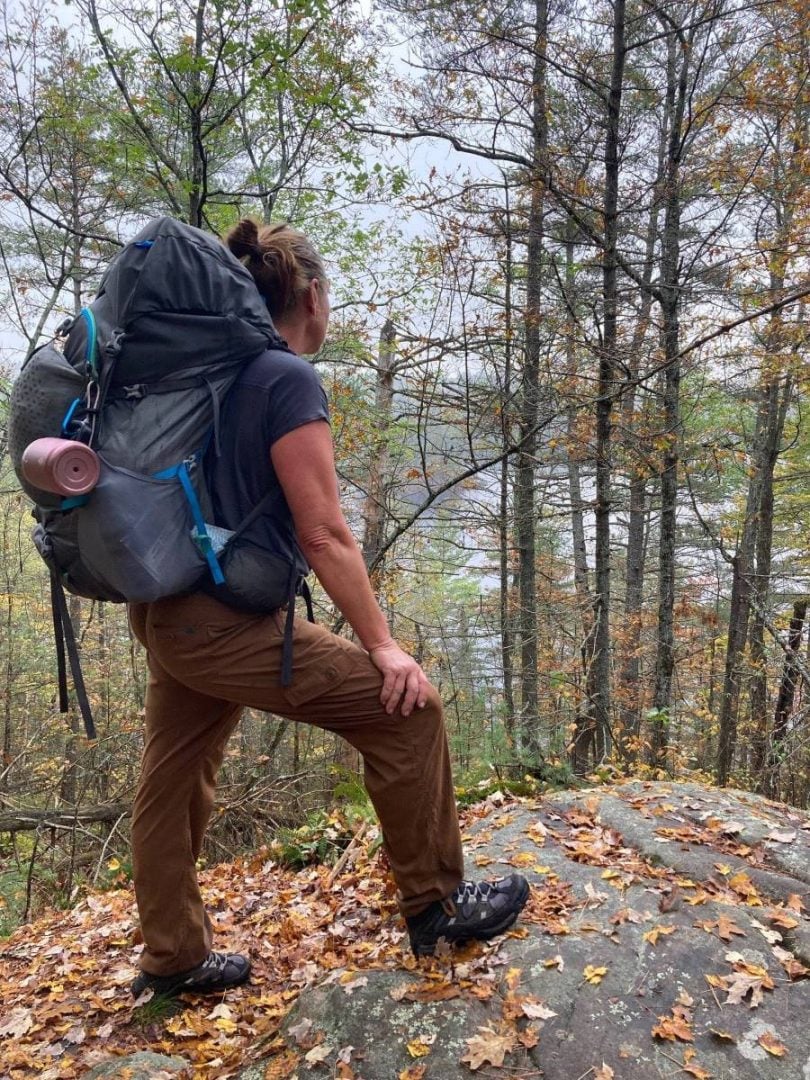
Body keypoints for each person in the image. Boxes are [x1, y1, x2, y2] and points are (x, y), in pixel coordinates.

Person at [127, 219, 530, 998]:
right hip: (223, 623)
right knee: (408, 711)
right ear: (312, 296)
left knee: (173, 778)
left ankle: (172, 957)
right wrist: (384, 645)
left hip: (168, 610)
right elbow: (324, 530)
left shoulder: (208, 373)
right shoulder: (283, 378)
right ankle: (438, 905)